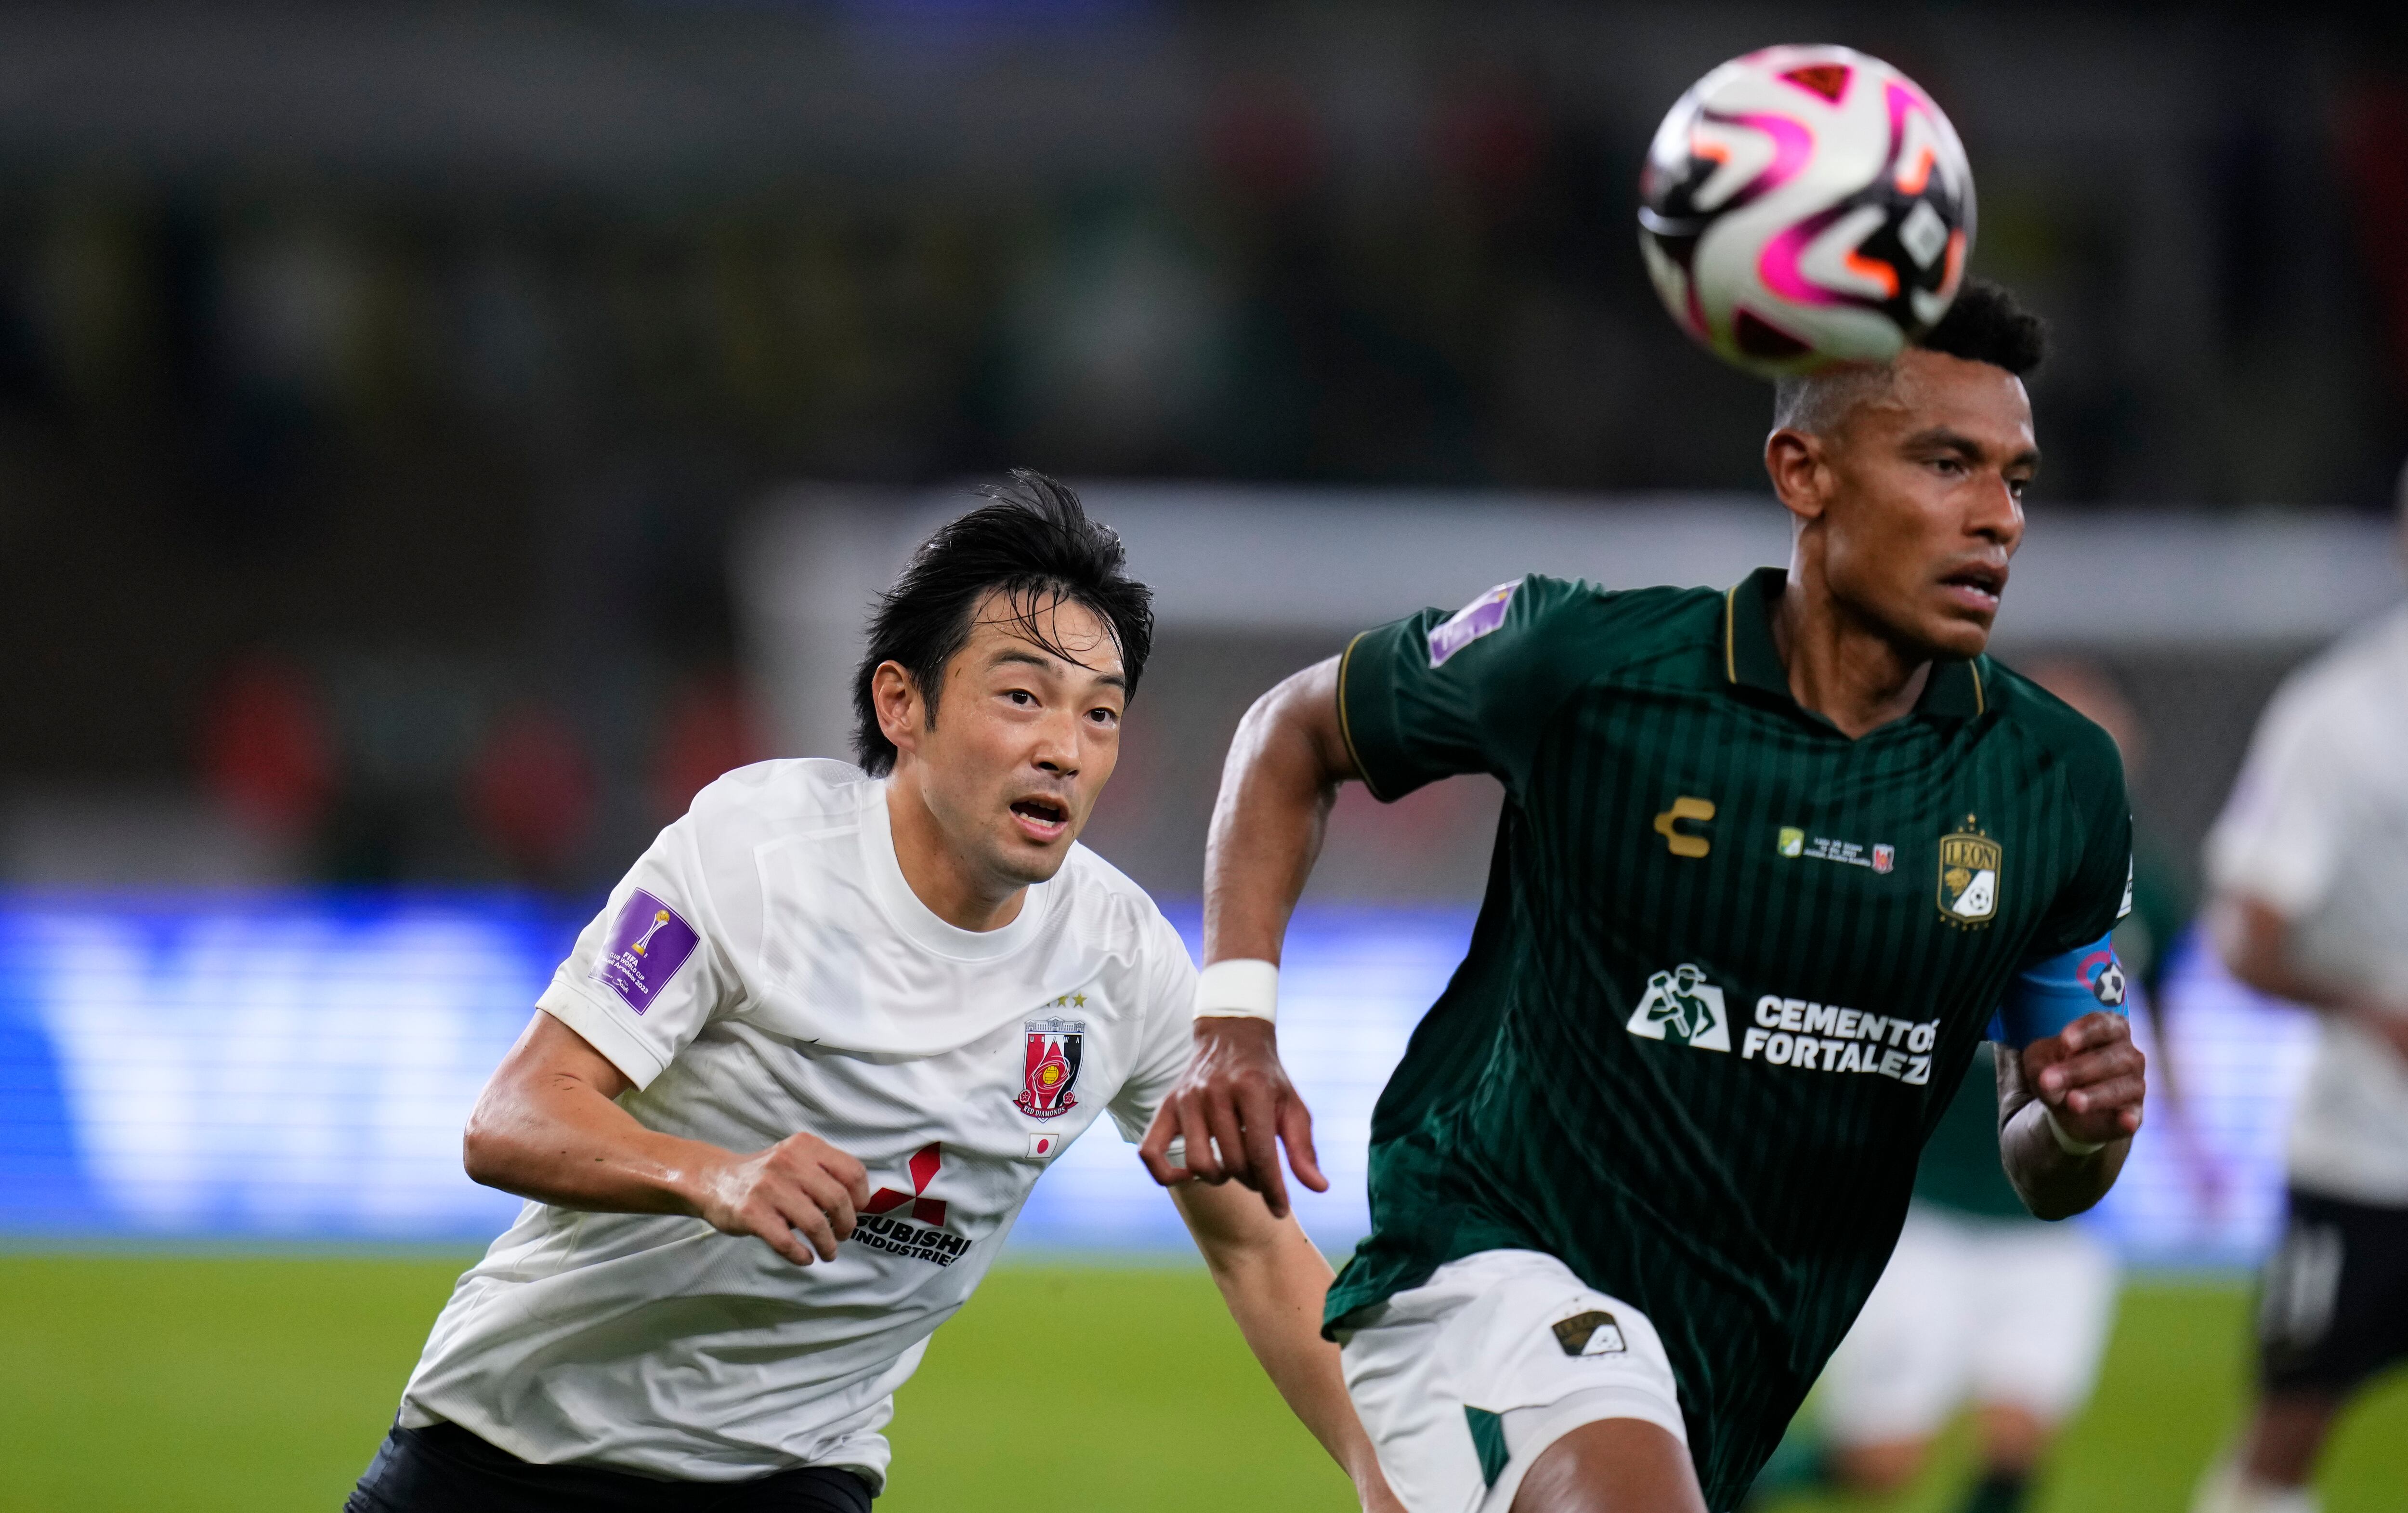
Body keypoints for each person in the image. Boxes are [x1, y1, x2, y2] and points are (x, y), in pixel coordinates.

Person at [1142, 280, 2149, 1513]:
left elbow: (2044, 1166)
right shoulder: (1591, 664)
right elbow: (1291, 730)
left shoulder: (2057, 782)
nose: (1997, 518)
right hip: (1482, 1261)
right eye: (1947, 463)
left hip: (1727, 1375)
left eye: (2018, 479)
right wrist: (1233, 1019)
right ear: (1803, 472)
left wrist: (2086, 1126)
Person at [347, 473, 1396, 1512]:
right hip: (504, 1445)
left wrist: (1387, 1478)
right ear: (902, 702)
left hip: (792, 1475)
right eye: (1022, 696)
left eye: (1101, 714)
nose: (1063, 748)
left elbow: (1258, 1246)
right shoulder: (750, 851)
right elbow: (512, 1117)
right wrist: (713, 1177)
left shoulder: (1121, 963)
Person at [1748, 660, 2198, 1513]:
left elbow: (2163, 1008)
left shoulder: (2151, 884)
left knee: (2016, 1440)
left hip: (2053, 1211)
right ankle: (1727, 1480)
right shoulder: (1947, 850)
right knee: (1883, 1458)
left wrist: (2191, 1133)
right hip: (1925, 1201)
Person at [2190, 460, 2408, 1513]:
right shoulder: (2343, 715)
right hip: (2366, 1159)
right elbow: (2247, 938)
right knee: (2288, 1425)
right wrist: (2372, 1005)